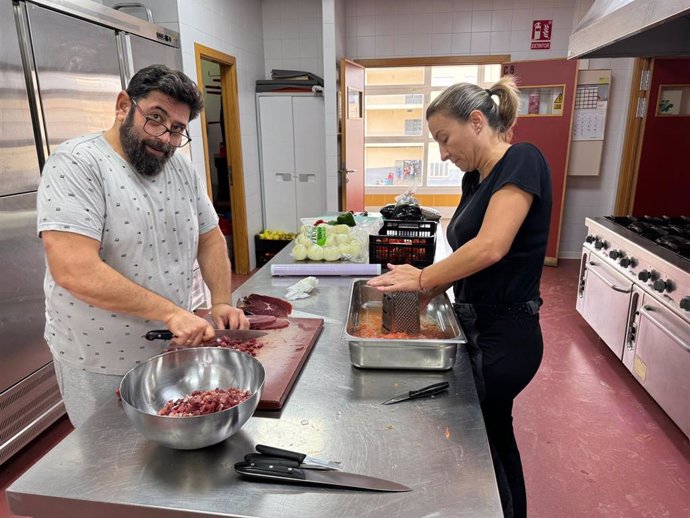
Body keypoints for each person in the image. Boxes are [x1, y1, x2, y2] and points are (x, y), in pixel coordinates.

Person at [368, 75, 552, 518]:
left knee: (485, 437)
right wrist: (418, 297)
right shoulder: (476, 178)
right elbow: (467, 256)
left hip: (506, 332)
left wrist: (424, 277)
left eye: (444, 139)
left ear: (476, 122)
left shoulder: (521, 160)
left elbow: (491, 246)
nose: (444, 153)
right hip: (472, 322)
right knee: (485, 433)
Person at [37, 64, 249, 427]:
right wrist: (170, 312)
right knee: (110, 461)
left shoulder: (180, 169)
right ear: (123, 105)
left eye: (178, 129)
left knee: (164, 457)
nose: (165, 137)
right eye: (155, 118)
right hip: (101, 357)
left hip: (171, 348)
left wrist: (220, 300)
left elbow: (210, 236)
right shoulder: (77, 164)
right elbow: (74, 269)